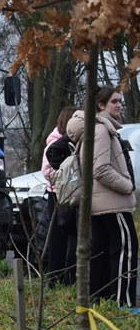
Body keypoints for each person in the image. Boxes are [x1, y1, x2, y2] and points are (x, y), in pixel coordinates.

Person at [65, 87, 138, 312]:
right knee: (126, 250)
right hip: (113, 203)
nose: (119, 105)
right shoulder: (101, 130)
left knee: (101, 252)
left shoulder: (94, 128)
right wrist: (127, 186)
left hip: (98, 203)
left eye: (120, 101)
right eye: (114, 101)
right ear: (100, 105)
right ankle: (124, 304)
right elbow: (101, 169)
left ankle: (101, 302)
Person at [43, 106, 78, 285]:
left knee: (70, 237)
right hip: (57, 195)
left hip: (69, 194)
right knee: (59, 238)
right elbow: (47, 171)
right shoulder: (54, 143)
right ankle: (56, 278)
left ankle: (67, 278)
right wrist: (67, 176)